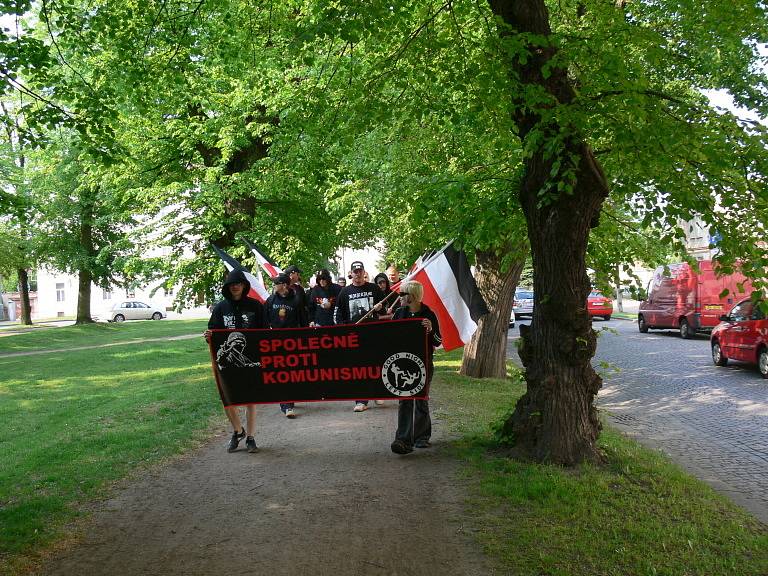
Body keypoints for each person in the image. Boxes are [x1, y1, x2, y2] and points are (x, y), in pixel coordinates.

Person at [206, 268, 265, 454]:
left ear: (244, 285)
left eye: (238, 283)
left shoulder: (256, 306)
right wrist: (209, 336)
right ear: (227, 287)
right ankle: (238, 430)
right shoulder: (220, 308)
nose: (235, 287)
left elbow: (265, 331)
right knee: (228, 399)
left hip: (251, 359)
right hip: (226, 364)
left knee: (250, 400)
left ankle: (251, 437)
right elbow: (212, 331)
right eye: (232, 284)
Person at [389, 280, 441, 454]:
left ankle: (422, 437)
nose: (400, 297)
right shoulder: (399, 313)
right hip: (403, 363)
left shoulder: (429, 314)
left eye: (402, 294)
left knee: (420, 400)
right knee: (404, 400)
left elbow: (438, 341)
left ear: (412, 296)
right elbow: (389, 337)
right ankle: (402, 439)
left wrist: (431, 330)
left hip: (423, 364)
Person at [334, 260, 386, 412]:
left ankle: (378, 392)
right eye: (355, 272)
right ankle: (361, 400)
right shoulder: (344, 292)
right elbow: (338, 315)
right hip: (354, 335)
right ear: (351, 274)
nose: (358, 274)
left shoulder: (374, 288)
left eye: (360, 271)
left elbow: (385, 311)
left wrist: (380, 308)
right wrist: (344, 330)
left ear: (364, 272)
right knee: (359, 367)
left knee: (376, 363)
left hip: (373, 333)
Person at [265, 272, 308, 418]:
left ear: (284, 285)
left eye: (276, 283)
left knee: (293, 373)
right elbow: (264, 322)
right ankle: (286, 405)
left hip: (293, 343)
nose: (274, 285)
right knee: (281, 374)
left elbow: (303, 322)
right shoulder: (270, 300)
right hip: (276, 343)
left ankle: (292, 397)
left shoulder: (296, 300)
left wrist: (304, 340)